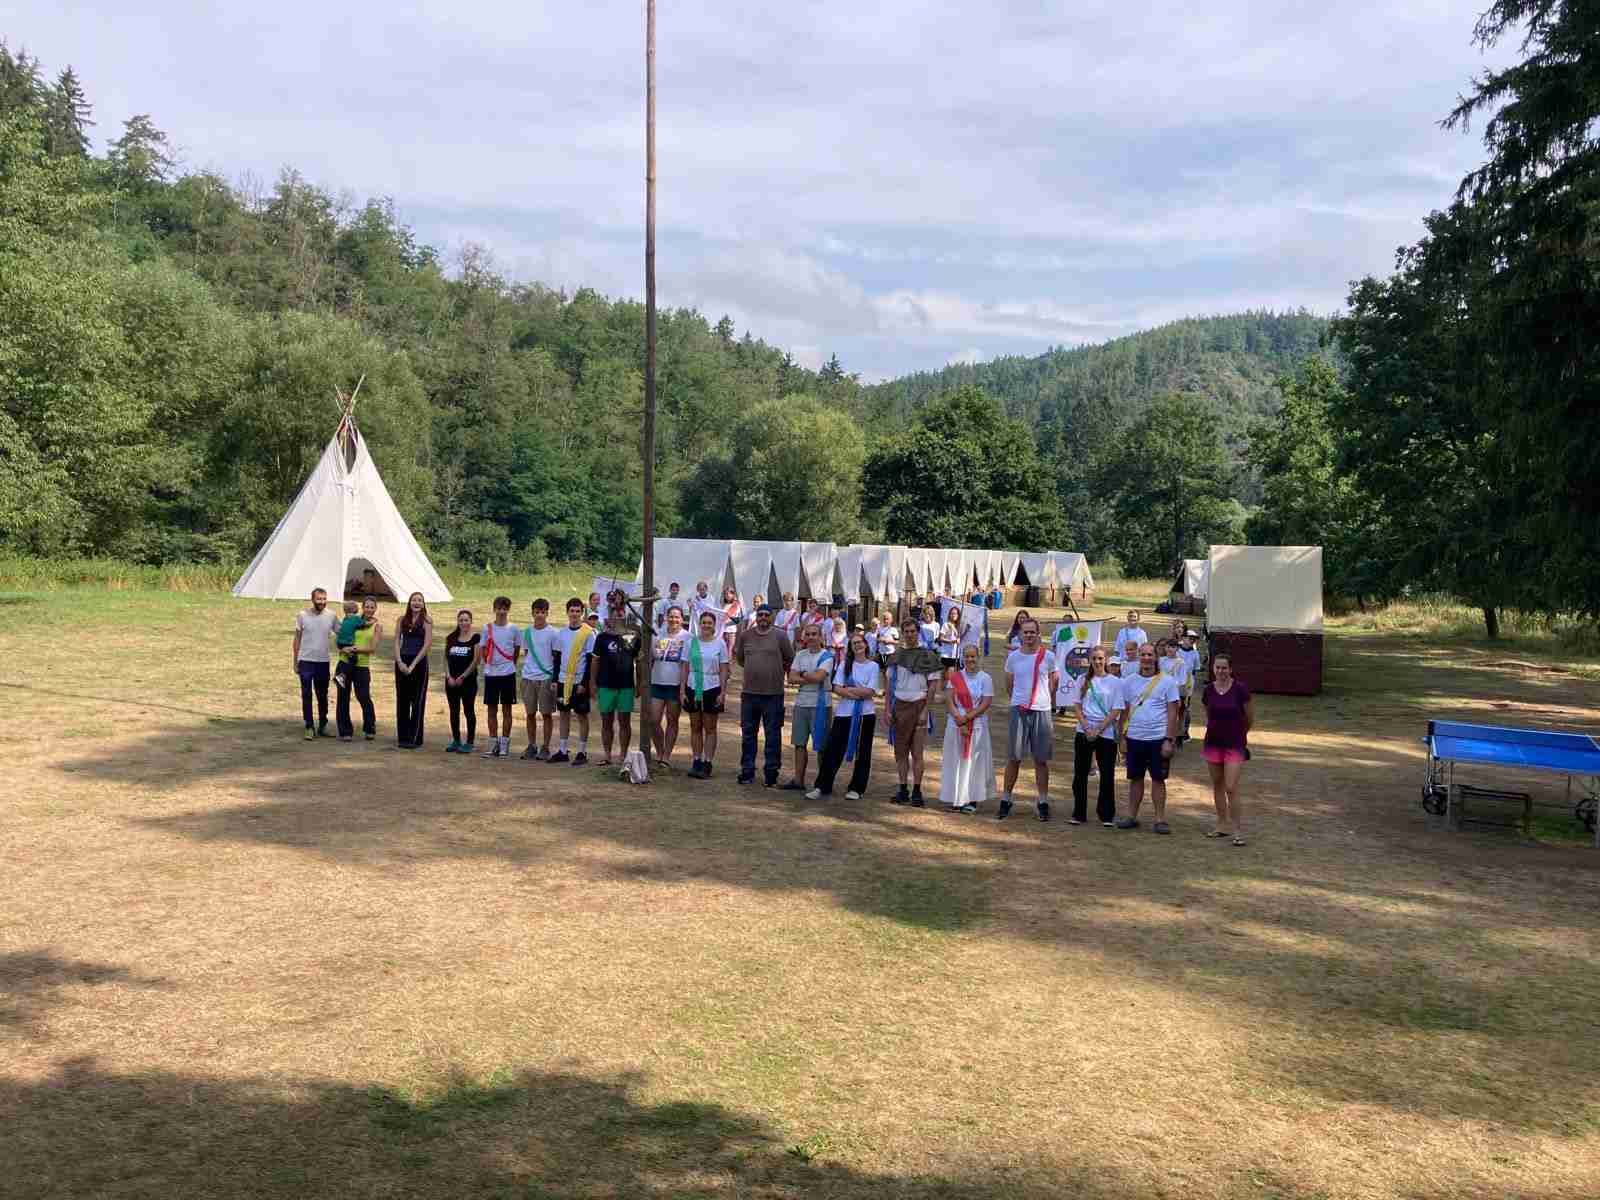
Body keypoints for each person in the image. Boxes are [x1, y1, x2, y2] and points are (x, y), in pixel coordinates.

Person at [1116, 642, 1182, 833]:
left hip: (1158, 738)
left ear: (1156, 658)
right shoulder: (1128, 682)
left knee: (1158, 779)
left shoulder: (1168, 682)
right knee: (1135, 778)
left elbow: (1173, 713)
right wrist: (1122, 738)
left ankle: (1160, 819)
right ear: (1139, 657)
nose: (1146, 658)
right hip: (1134, 737)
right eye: (1143, 655)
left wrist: (1169, 740)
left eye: (1150, 655)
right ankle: (1131, 816)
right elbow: (1124, 711)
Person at [807, 631, 881, 802]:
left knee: (863, 752)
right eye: (854, 643)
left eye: (860, 642)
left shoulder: (873, 666)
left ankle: (857, 788)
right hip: (844, 713)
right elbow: (836, 688)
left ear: (866, 644)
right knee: (833, 750)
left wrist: (849, 690)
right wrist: (856, 693)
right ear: (850, 647)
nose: (858, 645)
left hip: (865, 714)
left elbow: (870, 691)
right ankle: (822, 786)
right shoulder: (844, 665)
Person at [1002, 618, 1058, 820]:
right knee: (1014, 757)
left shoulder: (1049, 657)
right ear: (1020, 634)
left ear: (1038, 633)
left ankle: (1042, 801)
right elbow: (1009, 684)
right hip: (1019, 710)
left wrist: (1044, 698)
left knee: (1041, 759)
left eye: (1032, 632)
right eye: (1025, 632)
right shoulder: (1013, 658)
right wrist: (1019, 700)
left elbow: (1054, 681)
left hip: (1041, 710)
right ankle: (1006, 799)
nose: (1029, 635)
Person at [734, 603, 795, 786]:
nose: (763, 618)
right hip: (749, 694)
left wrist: (774, 670)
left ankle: (771, 774)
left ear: (772, 617)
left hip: (773, 694)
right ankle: (747, 771)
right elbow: (741, 660)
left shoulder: (780, 636)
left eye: (766, 615)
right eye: (760, 614)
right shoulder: (746, 636)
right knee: (748, 735)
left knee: (773, 735)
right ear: (756, 616)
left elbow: (790, 658)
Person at [1201, 653, 1253, 845]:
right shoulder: (1208, 690)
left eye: (1224, 667)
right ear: (1213, 669)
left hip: (1235, 744)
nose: (1221, 671)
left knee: (1231, 787)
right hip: (1213, 742)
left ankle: (1238, 831)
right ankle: (1221, 825)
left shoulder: (1240, 689)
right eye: (1217, 667)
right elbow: (1208, 714)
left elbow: (1249, 718)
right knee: (1217, 784)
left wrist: (1240, 734)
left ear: (1230, 669)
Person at [888, 617, 941, 806]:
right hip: (900, 706)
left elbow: (933, 685)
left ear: (918, 632)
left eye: (913, 631)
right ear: (902, 633)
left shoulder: (928, 655)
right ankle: (903, 789)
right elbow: (889, 684)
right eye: (906, 631)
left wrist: (926, 709)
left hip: (919, 705)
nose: (910, 634)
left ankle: (917, 791)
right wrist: (887, 710)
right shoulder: (897, 655)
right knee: (900, 752)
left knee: (917, 752)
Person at [1069, 648, 1122, 827]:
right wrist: (1085, 726)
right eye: (1094, 658)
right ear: (1089, 660)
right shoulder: (1082, 680)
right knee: (1080, 773)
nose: (1097, 662)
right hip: (1084, 731)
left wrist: (1098, 729)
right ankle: (1079, 813)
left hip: (1105, 732)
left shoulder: (1115, 682)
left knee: (1107, 774)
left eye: (1100, 658)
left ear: (1106, 660)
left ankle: (1106, 815)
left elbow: (1116, 709)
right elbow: (1077, 705)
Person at [940, 642, 994, 813]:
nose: (970, 659)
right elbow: (949, 699)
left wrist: (968, 717)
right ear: (963, 658)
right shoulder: (955, 677)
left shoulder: (985, 678)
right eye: (967, 656)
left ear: (978, 657)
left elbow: (986, 703)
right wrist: (958, 718)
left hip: (976, 724)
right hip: (955, 723)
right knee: (956, 760)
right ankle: (956, 797)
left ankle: (971, 799)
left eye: (973, 656)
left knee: (973, 761)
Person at [783, 622, 832, 792]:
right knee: (799, 743)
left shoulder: (827, 656)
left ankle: (823, 783)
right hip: (801, 703)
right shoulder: (800, 655)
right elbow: (791, 678)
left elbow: (819, 677)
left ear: (821, 637)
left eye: (814, 634)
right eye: (808, 634)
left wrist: (802, 674)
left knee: (822, 746)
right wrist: (809, 677)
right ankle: (798, 780)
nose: (811, 637)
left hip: (821, 704)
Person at [681, 609, 731, 778]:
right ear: (699, 624)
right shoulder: (691, 643)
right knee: (695, 726)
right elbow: (684, 667)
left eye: (710, 623)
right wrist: (682, 690)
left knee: (710, 727)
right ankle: (696, 760)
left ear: (714, 625)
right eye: (704, 623)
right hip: (693, 685)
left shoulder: (720, 644)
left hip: (712, 686)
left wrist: (723, 692)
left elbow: (724, 669)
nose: (706, 625)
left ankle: (707, 762)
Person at [592, 601, 640, 767]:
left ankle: (623, 754)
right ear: (609, 616)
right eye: (615, 612)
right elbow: (595, 661)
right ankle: (607, 755)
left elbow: (639, 661)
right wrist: (592, 683)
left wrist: (640, 682)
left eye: (621, 612)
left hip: (626, 686)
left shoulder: (632, 636)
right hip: (605, 685)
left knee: (624, 721)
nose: (618, 615)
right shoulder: (602, 637)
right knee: (607, 721)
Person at [550, 597, 597, 764]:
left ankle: (582, 752)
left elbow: (590, 660)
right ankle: (563, 750)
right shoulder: (561, 633)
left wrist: (584, 683)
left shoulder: (588, 633)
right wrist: (555, 679)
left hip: (579, 680)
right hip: (563, 680)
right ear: (567, 612)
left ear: (582, 613)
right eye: (572, 611)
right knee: (564, 714)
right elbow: (557, 658)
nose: (575, 614)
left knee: (582, 715)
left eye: (578, 611)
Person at [292, 588, 338, 740]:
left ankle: (323, 725)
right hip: (305, 661)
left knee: (322, 695)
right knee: (306, 694)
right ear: (312, 599)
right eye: (319, 599)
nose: (322, 602)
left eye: (324, 599)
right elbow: (297, 639)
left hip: (323, 662)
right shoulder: (302, 616)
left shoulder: (331, 616)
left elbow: (342, 633)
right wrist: (295, 661)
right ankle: (309, 726)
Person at [335, 595, 381, 741]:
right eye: (367, 606)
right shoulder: (350, 620)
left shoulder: (376, 626)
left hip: (362, 667)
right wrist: (343, 649)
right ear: (362, 607)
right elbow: (341, 639)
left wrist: (354, 649)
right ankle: (345, 731)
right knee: (343, 697)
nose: (369, 609)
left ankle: (369, 728)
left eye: (372, 607)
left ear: (375, 609)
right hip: (344, 665)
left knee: (364, 696)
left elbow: (372, 648)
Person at [649, 605, 689, 770]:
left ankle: (666, 756)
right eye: (671, 616)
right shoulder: (657, 634)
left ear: (682, 619)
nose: (673, 620)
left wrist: (684, 688)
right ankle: (660, 751)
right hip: (657, 682)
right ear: (666, 617)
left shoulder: (687, 637)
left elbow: (687, 664)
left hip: (675, 685)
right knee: (653, 720)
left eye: (677, 617)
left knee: (672, 721)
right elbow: (651, 659)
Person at [479, 597, 520, 758]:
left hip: (508, 673)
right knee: (491, 709)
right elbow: (483, 649)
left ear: (508, 610)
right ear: (494, 609)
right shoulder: (487, 628)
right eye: (499, 608)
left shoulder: (514, 629)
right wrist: (489, 664)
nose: (501, 612)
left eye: (504, 609)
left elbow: (516, 649)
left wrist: (510, 665)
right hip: (491, 674)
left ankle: (504, 745)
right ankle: (492, 744)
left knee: (507, 709)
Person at [519, 599, 560, 760]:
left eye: (543, 612)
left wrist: (553, 678)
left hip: (546, 677)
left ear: (547, 613)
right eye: (537, 612)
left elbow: (556, 657)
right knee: (530, 713)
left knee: (546, 714)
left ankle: (545, 746)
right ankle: (531, 745)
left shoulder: (553, 633)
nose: (540, 615)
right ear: (532, 613)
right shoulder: (527, 632)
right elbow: (527, 653)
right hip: (528, 677)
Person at [394, 592, 433, 748]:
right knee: (402, 700)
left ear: (423, 604)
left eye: (419, 600)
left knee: (417, 701)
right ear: (409, 603)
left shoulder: (427, 621)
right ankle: (403, 737)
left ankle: (414, 738)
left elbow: (427, 644)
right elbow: (396, 641)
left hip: (419, 664)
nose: (416, 603)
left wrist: (413, 665)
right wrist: (400, 662)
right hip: (402, 662)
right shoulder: (401, 620)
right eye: (414, 600)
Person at [443, 609, 480, 753]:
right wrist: (448, 677)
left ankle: (469, 742)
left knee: (468, 710)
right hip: (451, 682)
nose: (464, 623)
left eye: (466, 620)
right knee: (454, 711)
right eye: (461, 620)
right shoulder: (451, 638)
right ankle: (456, 740)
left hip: (468, 682)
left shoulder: (476, 638)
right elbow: (446, 659)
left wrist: (463, 677)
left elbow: (476, 660)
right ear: (458, 622)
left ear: (471, 621)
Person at [1159, 637, 1193, 749]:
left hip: (1174, 693)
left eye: (1173, 647)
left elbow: (1182, 680)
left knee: (1174, 717)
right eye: (1168, 646)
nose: (1170, 649)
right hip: (1160, 693)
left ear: (1177, 648)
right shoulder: (1161, 660)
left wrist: (1170, 684)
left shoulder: (1180, 663)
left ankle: (1173, 739)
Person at [332, 601, 369, 691]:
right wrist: (371, 622)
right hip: (348, 643)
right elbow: (363, 624)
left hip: (340, 643)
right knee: (353, 659)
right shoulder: (355, 618)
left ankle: (340, 675)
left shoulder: (345, 618)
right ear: (355, 609)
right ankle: (341, 676)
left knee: (348, 658)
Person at [1179, 629, 1203, 742]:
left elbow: (1195, 669)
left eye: (1194, 639)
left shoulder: (1195, 653)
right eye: (1190, 638)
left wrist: (1189, 684)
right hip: (1175, 683)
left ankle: (1184, 732)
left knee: (1185, 708)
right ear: (1183, 638)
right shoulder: (1177, 650)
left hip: (1187, 684)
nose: (1192, 641)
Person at [720, 585, 744, 656]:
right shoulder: (723, 605)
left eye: (729, 594)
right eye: (725, 594)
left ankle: (729, 662)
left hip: (731, 630)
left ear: (733, 595)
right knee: (723, 649)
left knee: (730, 650)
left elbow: (738, 620)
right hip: (723, 630)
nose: (727, 595)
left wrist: (729, 617)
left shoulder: (736, 605)